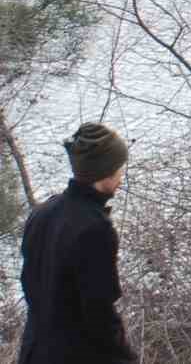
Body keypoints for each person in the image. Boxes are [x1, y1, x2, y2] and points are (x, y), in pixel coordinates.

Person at [18, 122, 138, 364]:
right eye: (118, 168)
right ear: (104, 172)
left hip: (34, 351)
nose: (121, 176)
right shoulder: (95, 228)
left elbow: (29, 284)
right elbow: (99, 313)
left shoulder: (43, 211)